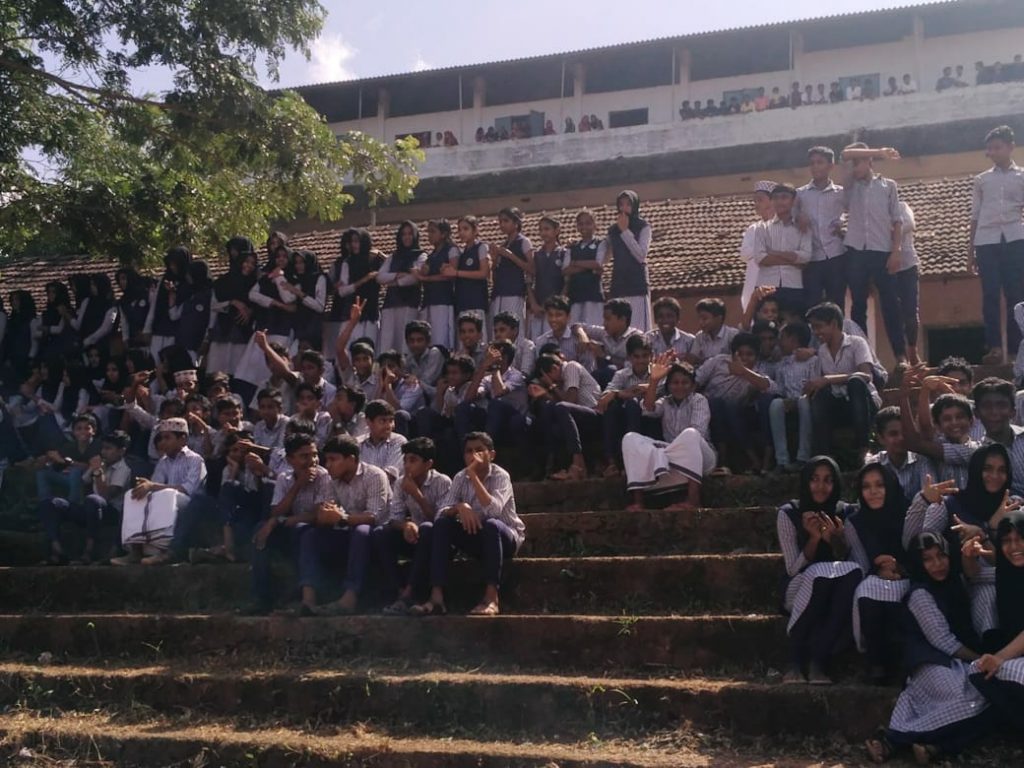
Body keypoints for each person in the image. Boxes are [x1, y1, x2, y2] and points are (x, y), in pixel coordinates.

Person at [864, 532, 990, 765]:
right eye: (928, 559)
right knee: (970, 700)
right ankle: (893, 738)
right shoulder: (920, 594)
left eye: (941, 556)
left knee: (992, 699)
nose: (937, 564)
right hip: (931, 663)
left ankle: (936, 747)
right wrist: (983, 660)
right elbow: (945, 642)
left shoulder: (955, 584)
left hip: (957, 663)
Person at [410, 431, 524, 617]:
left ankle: (491, 598)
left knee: (492, 524)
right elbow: (441, 511)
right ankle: (436, 596)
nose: (473, 455)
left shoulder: (500, 476)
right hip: (476, 535)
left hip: (504, 537)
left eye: (479, 450)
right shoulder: (460, 477)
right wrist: (459, 507)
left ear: (491, 455)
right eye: (469, 451)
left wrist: (473, 475)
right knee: (442, 524)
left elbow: (494, 511)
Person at [777, 457, 861, 684]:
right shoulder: (789, 513)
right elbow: (792, 569)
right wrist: (814, 540)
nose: (821, 487)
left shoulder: (844, 513)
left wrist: (836, 539)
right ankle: (795, 662)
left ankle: (818, 662)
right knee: (820, 575)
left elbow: (853, 564)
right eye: (814, 479)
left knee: (850, 574)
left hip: (834, 590)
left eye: (827, 480)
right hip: (798, 586)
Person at [298, 435, 391, 616]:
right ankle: (308, 599)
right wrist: (324, 516)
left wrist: (341, 518)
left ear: (351, 459)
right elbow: (325, 512)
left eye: (333, 459)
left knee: (362, 531)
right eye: (327, 460)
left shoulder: (374, 475)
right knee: (310, 535)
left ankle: (350, 598)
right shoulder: (331, 480)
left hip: (377, 537)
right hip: (347, 534)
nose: (328, 465)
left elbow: (373, 517)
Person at [845, 463, 913, 685]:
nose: (873, 492)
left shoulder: (908, 513)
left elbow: (920, 554)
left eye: (879, 485)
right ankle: (876, 663)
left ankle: (901, 664)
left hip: (908, 575)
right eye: (866, 487)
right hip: (875, 576)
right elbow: (860, 563)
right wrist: (879, 568)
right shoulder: (855, 522)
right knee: (868, 591)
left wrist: (900, 568)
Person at [840, 142, 906, 363]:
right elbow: (845, 153)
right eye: (853, 164)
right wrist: (879, 152)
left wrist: (896, 251)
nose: (854, 167)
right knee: (858, 305)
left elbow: (897, 221)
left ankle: (900, 356)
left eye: (858, 163)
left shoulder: (888, 186)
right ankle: (864, 357)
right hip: (856, 251)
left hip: (881, 249)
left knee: (891, 304)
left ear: (869, 162)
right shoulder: (850, 185)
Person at [371, 437, 452, 615]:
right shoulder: (402, 482)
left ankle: (409, 592)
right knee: (381, 533)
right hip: (414, 536)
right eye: (405, 460)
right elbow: (394, 518)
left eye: (413, 460)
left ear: (428, 464)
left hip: (436, 542)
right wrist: (406, 525)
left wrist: (416, 494)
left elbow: (440, 521)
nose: (407, 465)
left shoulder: (443, 482)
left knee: (428, 528)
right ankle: (399, 590)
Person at [112, 417, 206, 566]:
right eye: (161, 438)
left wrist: (152, 486)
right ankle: (135, 551)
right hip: (166, 501)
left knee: (166, 495)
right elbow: (154, 486)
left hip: (191, 504)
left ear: (182, 439)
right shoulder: (163, 461)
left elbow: (188, 489)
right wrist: (145, 487)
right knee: (133, 496)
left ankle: (166, 552)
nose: (162, 442)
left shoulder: (195, 460)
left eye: (167, 438)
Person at [623, 359, 715, 512]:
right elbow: (648, 409)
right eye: (675, 383)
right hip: (673, 458)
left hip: (702, 458)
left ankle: (693, 500)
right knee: (630, 438)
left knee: (691, 434)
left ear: (692, 386)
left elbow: (698, 432)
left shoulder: (698, 400)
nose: (679, 386)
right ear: (669, 386)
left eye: (684, 383)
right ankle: (638, 502)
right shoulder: (665, 402)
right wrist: (654, 381)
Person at [969, 126, 1024, 365]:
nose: (992, 152)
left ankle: (1014, 350)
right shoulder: (982, 180)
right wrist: (970, 251)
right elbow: (975, 216)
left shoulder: (1022, 176)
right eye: (989, 149)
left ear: (1011, 147)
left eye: (997, 147)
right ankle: (994, 348)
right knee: (990, 295)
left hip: (1015, 239)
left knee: (1016, 295)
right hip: (986, 241)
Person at [37, 430, 131, 565]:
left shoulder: (123, 469)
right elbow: (83, 481)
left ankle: (89, 551)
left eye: (109, 449)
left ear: (121, 451)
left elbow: (105, 496)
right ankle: (57, 549)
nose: (104, 452)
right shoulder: (101, 463)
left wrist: (98, 472)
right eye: (103, 448)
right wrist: (91, 467)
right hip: (90, 509)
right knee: (50, 503)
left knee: (93, 499)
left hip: (110, 512)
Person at [804, 302, 881, 463]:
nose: (816, 332)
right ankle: (825, 454)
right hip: (841, 405)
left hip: (864, 403)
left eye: (819, 327)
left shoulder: (857, 343)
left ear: (833, 323)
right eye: (813, 328)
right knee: (820, 394)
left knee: (855, 382)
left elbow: (866, 375)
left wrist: (828, 379)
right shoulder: (822, 351)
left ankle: (864, 448)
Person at [696, 331, 774, 473]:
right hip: (708, 407)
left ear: (756, 356)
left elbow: (772, 387)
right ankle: (722, 460)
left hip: (736, 412)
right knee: (717, 404)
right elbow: (696, 380)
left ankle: (755, 460)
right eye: (740, 354)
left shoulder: (756, 372)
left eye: (749, 354)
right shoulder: (718, 362)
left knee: (731, 408)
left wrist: (743, 371)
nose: (744, 358)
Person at [796, 146, 847, 309]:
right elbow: (790, 218)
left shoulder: (841, 193)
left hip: (836, 255)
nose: (815, 166)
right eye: (812, 163)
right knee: (812, 305)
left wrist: (844, 225)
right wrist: (798, 217)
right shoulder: (800, 194)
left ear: (831, 166)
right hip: (812, 258)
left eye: (820, 162)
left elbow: (855, 214)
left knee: (837, 304)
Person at [753, 184, 812, 318]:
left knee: (793, 325)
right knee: (766, 326)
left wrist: (775, 253)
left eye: (784, 197)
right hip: (766, 286)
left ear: (793, 201)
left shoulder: (803, 228)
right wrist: (794, 260)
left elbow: (806, 257)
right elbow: (760, 258)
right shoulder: (762, 228)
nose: (780, 202)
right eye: (776, 198)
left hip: (794, 286)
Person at [768, 321, 818, 472]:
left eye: (783, 338)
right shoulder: (782, 364)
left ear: (793, 340)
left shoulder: (812, 361)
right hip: (790, 402)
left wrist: (801, 398)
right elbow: (781, 389)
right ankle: (782, 460)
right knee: (776, 404)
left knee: (803, 402)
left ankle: (803, 458)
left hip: (808, 401)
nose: (779, 343)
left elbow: (815, 385)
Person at [605, 190, 652, 332]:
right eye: (621, 204)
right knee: (619, 326)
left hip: (637, 284)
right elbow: (605, 256)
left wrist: (625, 231)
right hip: (619, 283)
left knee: (638, 329)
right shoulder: (613, 230)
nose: (624, 208)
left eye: (628, 204)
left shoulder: (643, 226)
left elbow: (641, 255)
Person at [208, 239, 257, 374]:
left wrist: (250, 311)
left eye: (252, 263)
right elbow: (213, 305)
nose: (249, 266)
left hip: (244, 332)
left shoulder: (256, 282)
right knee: (217, 372)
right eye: (231, 251)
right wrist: (232, 302)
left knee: (239, 371)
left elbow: (261, 304)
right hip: (223, 331)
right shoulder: (222, 282)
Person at [377, 221, 427, 354]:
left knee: (406, 342)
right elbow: (380, 277)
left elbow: (414, 278)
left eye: (410, 234)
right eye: (404, 234)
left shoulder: (421, 255)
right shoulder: (393, 257)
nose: (407, 237)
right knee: (388, 342)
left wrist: (394, 283)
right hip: (390, 304)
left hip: (410, 303)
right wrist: (398, 274)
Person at [867, 406, 927, 500]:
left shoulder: (922, 461)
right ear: (881, 438)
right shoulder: (874, 464)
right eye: (893, 434)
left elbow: (930, 500)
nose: (901, 438)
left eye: (904, 432)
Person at [445, 215, 491, 339]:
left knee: (479, 339)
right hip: (462, 302)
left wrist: (457, 273)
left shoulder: (481, 248)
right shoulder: (462, 253)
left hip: (476, 301)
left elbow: (483, 273)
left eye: (465, 229)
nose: (462, 233)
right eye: (459, 229)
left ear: (475, 230)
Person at [418, 220, 459, 352]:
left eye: (433, 231)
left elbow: (451, 274)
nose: (429, 235)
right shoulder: (431, 255)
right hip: (429, 300)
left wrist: (426, 278)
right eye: (428, 232)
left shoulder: (451, 250)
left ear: (443, 234)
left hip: (443, 301)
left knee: (441, 339)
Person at [489, 207, 533, 325]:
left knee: (513, 326)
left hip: (514, 292)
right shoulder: (503, 245)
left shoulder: (524, 242)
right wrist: (494, 260)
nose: (502, 225)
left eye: (506, 221)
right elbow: (494, 276)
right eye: (500, 221)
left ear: (516, 222)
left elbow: (531, 268)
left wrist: (511, 256)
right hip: (499, 293)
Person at [739, 180, 778, 312]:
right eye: (755, 200)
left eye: (760, 200)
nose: (756, 204)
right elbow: (744, 254)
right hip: (754, 278)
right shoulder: (753, 229)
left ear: (772, 201)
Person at [527, 216, 566, 341]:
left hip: (556, 309)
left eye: (547, 229)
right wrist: (533, 303)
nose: (543, 233)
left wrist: (558, 303)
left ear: (557, 230)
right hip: (538, 308)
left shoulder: (564, 253)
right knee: (537, 341)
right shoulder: (536, 255)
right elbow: (529, 281)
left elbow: (568, 281)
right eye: (541, 230)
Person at [564, 210, 605, 325]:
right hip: (575, 296)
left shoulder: (600, 243)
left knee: (593, 329)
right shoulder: (572, 246)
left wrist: (575, 262)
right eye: (581, 224)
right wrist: (589, 267)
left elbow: (598, 263)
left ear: (595, 225)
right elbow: (565, 270)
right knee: (574, 329)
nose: (584, 227)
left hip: (593, 295)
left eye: (588, 223)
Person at [893, 202, 922, 365]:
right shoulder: (876, 211)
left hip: (908, 265)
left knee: (911, 311)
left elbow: (910, 224)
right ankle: (901, 356)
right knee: (894, 313)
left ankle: (912, 349)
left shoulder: (902, 206)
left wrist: (890, 232)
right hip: (888, 268)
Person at [358, 399, 407, 483]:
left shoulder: (398, 441)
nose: (389, 426)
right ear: (368, 422)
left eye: (391, 421)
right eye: (382, 421)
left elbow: (389, 476)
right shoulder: (358, 443)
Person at [687, 298, 738, 366]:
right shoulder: (700, 337)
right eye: (699, 318)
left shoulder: (732, 335)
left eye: (705, 319)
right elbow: (693, 359)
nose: (701, 322)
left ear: (719, 318)